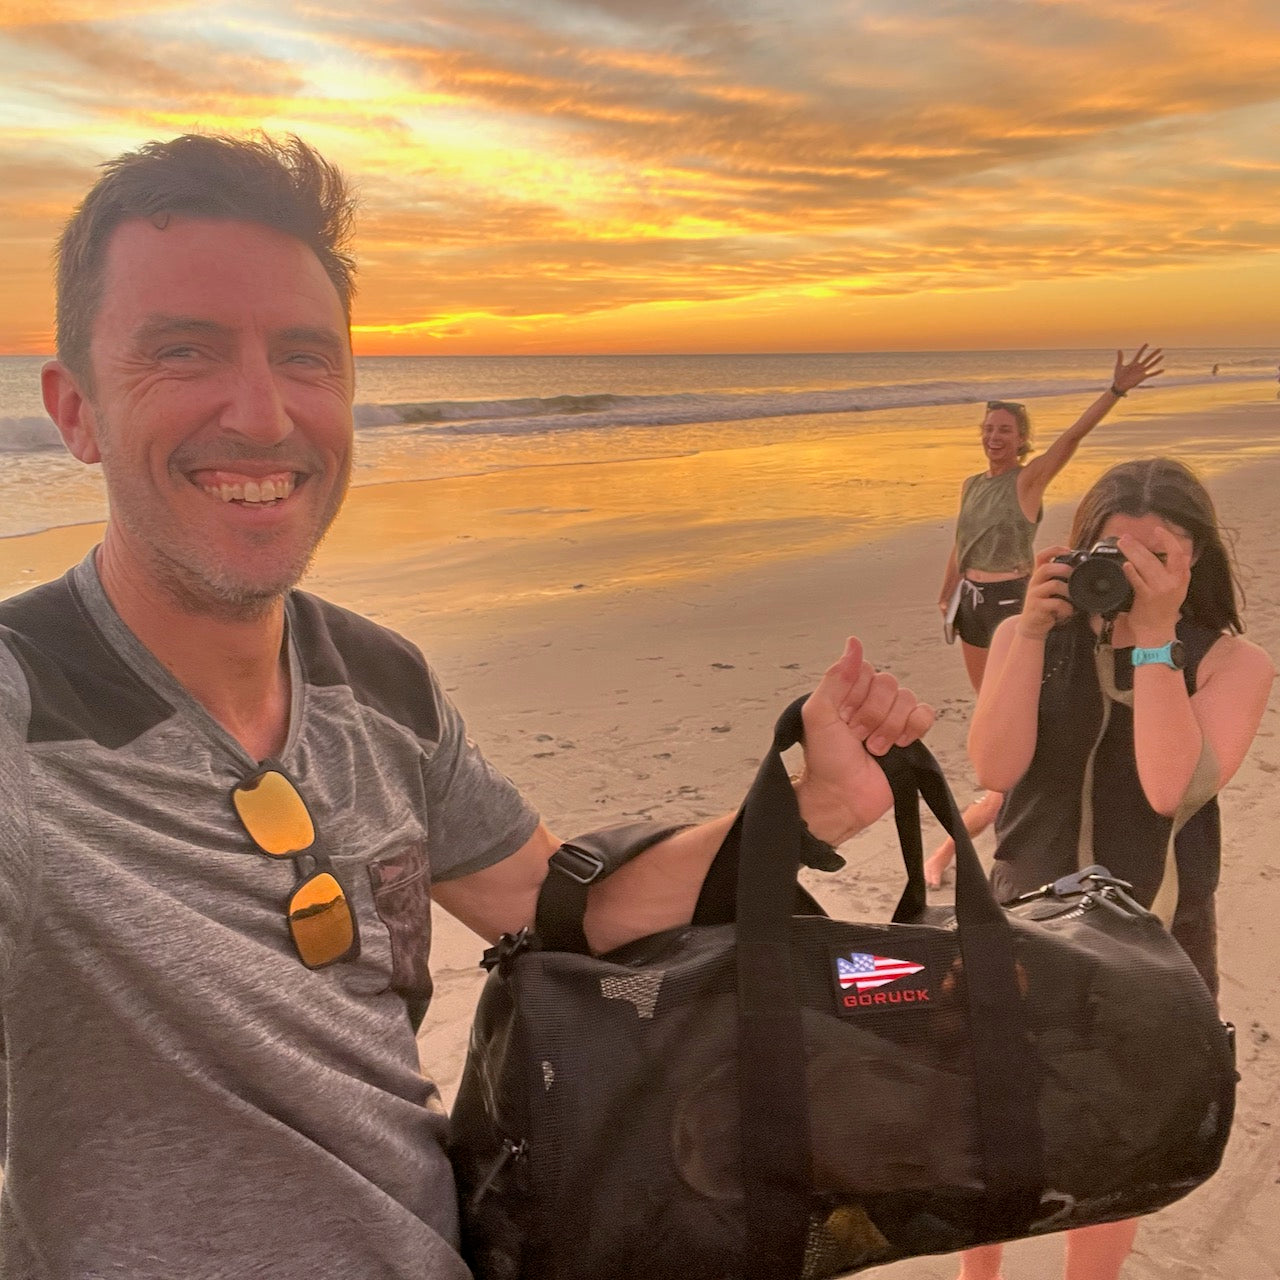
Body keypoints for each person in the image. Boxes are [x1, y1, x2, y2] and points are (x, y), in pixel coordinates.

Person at [0, 133, 935, 1278]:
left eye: (304, 357)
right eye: (183, 351)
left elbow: (561, 911)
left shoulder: (379, 682)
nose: (260, 413)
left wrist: (808, 806)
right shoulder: (26, 709)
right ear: (75, 409)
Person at [956, 456, 1274, 1280]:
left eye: (1155, 556)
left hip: (1155, 942)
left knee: (1121, 1145)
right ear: (1078, 552)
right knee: (986, 1127)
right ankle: (975, 1274)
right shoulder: (1035, 636)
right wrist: (1025, 632)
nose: (1130, 574)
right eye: (1114, 554)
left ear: (1193, 559)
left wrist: (1156, 643)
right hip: (1023, 921)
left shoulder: (1231, 663)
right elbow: (994, 762)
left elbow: (1173, 786)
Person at [925, 351, 1165, 887]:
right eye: (988, 428)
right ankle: (993, 805)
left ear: (1021, 437)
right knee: (993, 719)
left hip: (1015, 603)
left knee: (1022, 719)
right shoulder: (971, 484)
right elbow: (961, 541)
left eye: (1004, 429)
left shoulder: (1027, 481)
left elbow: (1072, 439)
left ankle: (977, 829)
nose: (994, 437)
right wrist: (947, 591)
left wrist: (1116, 390)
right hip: (972, 603)